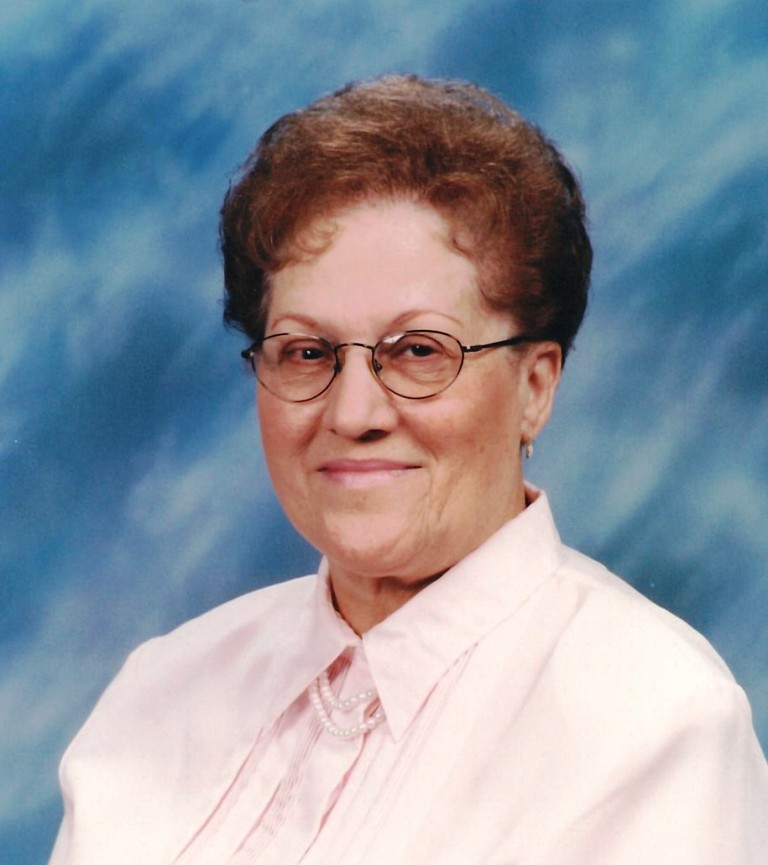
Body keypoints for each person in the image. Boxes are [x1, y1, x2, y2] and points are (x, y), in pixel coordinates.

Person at [50, 75, 768, 865]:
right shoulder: (159, 695)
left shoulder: (655, 727)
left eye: (419, 351)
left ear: (535, 386)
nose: (353, 411)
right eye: (307, 352)